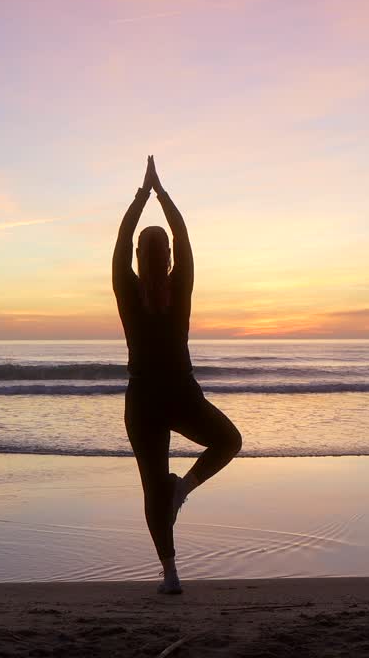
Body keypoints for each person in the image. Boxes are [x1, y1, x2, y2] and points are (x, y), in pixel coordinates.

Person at [112, 154, 243, 595]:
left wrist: (141, 196)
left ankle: (170, 574)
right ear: (166, 257)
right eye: (164, 249)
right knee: (228, 442)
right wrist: (160, 193)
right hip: (177, 396)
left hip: (148, 399)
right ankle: (182, 491)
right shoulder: (179, 284)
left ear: (138, 257)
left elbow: (123, 236)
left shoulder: (127, 288)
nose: (163, 253)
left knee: (154, 487)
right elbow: (183, 235)